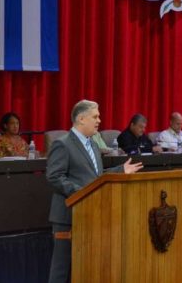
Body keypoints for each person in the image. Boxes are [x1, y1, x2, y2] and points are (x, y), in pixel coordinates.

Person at [46, 100, 143, 283]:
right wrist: (84, 193)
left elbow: (94, 176)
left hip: (90, 215)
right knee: (61, 270)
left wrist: (120, 170)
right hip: (68, 217)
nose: (99, 120)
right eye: (95, 116)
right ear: (81, 118)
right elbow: (54, 177)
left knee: (86, 268)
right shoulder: (63, 144)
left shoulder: (93, 145)